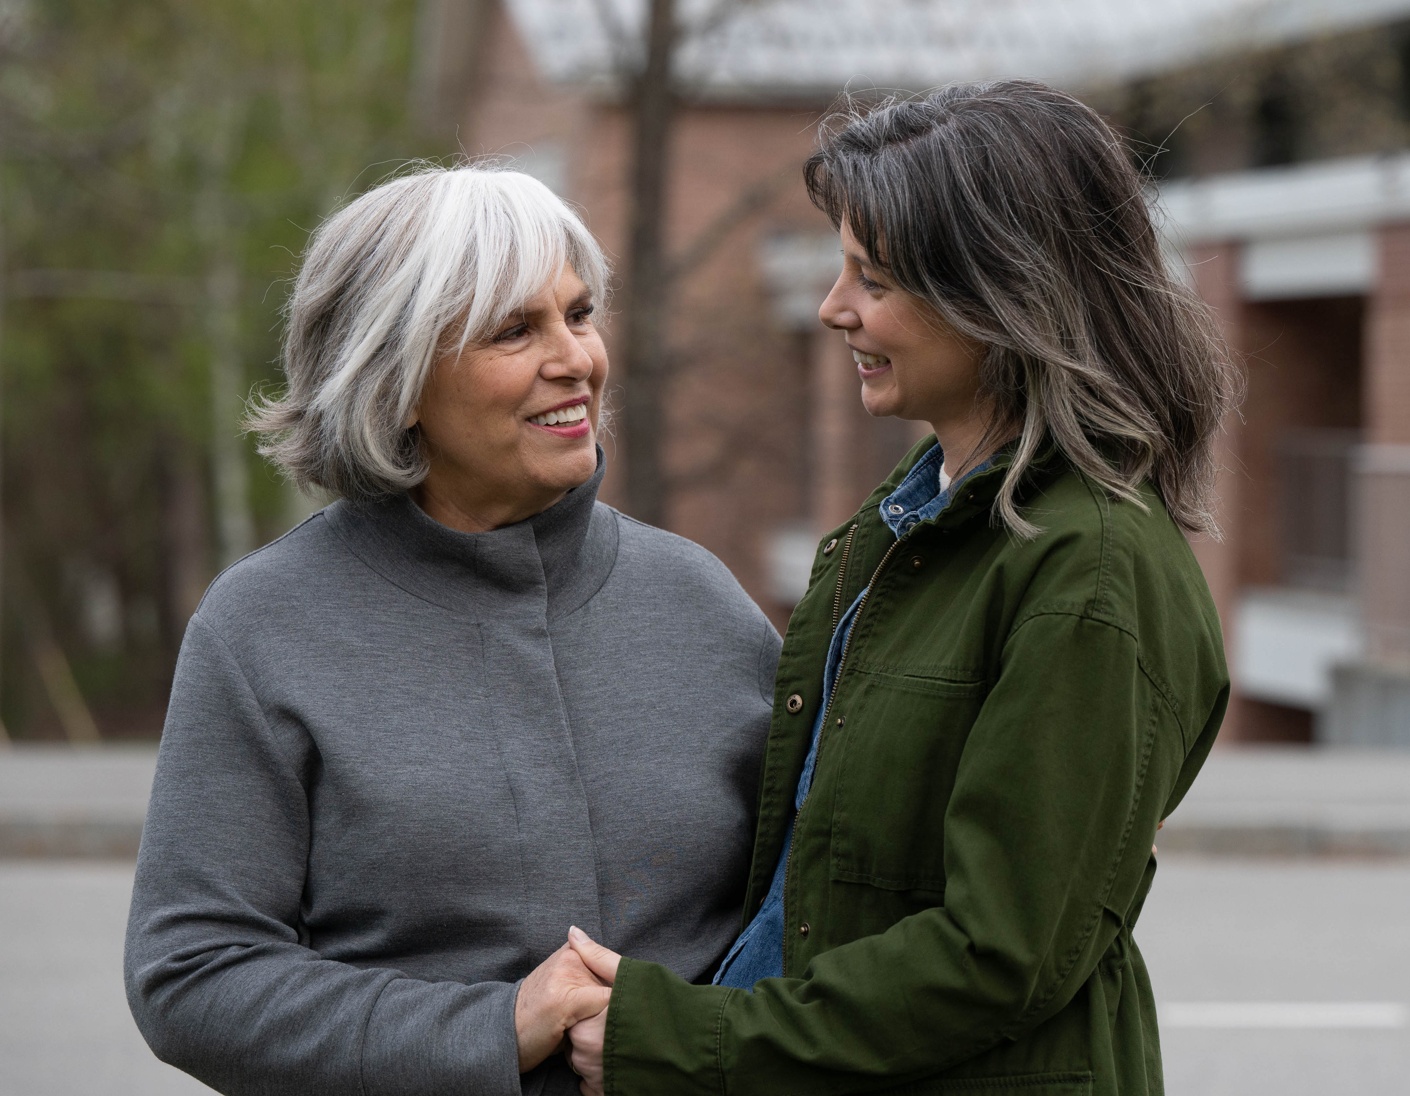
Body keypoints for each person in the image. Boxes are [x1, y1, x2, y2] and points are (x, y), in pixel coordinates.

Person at [561, 80, 1238, 1096]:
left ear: (997, 294)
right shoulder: (913, 527)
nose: (835, 309)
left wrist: (694, 1039)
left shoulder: (1089, 571)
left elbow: (996, 954)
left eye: (872, 279)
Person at [123, 165, 781, 1096]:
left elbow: (808, 910)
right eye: (516, 329)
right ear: (392, 378)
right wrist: (493, 1029)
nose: (576, 360)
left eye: (579, 314)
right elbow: (192, 974)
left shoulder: (702, 600)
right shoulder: (263, 628)